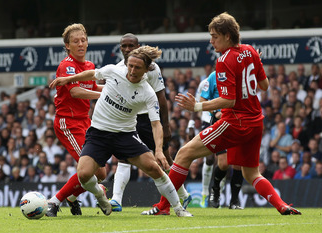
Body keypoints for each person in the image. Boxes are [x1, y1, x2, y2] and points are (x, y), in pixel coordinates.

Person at [142, 12, 301, 216]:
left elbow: (229, 100)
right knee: (252, 173)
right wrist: (255, 65)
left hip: (235, 122)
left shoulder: (224, 60)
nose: (211, 41)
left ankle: (163, 207)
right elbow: (264, 85)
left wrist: (197, 107)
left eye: (214, 36)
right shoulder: (251, 51)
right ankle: (282, 205)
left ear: (227, 35)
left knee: (184, 154)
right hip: (255, 122)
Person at [49, 45, 193, 217]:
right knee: (84, 174)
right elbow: (92, 74)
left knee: (154, 168)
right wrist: (68, 79)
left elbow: (156, 124)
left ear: (146, 70)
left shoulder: (148, 93)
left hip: (125, 135)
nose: (132, 70)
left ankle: (178, 209)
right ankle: (101, 196)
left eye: (137, 67)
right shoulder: (114, 71)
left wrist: (159, 150)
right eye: (130, 65)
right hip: (99, 133)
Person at [108, 33, 191, 213]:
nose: (128, 49)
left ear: (138, 46)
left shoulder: (151, 69)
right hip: (129, 118)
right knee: (123, 157)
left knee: (163, 160)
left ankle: (183, 195)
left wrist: (166, 125)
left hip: (149, 120)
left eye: (131, 45)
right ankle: (116, 199)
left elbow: (162, 99)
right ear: (120, 48)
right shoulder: (118, 69)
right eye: (124, 46)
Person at [46, 23, 106, 217]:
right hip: (68, 123)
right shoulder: (67, 66)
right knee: (89, 169)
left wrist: (114, 89)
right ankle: (54, 202)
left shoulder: (89, 66)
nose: (81, 44)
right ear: (67, 46)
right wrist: (104, 96)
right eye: (75, 41)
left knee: (101, 174)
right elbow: (76, 91)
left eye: (83, 40)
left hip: (85, 122)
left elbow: (94, 86)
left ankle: (72, 198)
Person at [196, 71, 244, 209]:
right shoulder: (213, 77)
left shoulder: (240, 76)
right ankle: (215, 189)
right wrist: (215, 111)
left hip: (238, 123)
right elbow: (203, 100)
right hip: (219, 122)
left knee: (238, 163)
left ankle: (234, 201)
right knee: (223, 163)